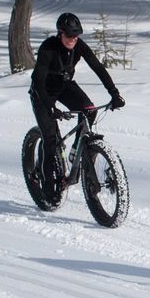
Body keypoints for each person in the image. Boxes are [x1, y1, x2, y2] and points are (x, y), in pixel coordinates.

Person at [29, 12, 124, 195]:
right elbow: (39, 81)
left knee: (89, 110)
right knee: (50, 139)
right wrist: (50, 107)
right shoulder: (48, 48)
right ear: (60, 33)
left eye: (76, 36)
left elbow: (98, 68)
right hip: (42, 93)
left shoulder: (79, 46)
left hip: (64, 86)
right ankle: (47, 187)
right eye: (69, 36)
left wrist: (114, 93)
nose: (73, 39)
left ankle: (76, 150)